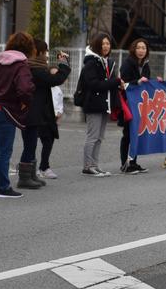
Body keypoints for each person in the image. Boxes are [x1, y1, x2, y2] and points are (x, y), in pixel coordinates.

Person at [0, 32, 36, 199]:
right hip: (8, 110)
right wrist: (26, 101)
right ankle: (3, 187)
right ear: (28, 48)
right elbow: (25, 89)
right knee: (5, 149)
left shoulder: (0, 61)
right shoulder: (21, 65)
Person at [17, 39, 71, 189]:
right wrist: (64, 63)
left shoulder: (32, 67)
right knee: (30, 145)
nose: (46, 55)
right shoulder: (35, 70)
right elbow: (57, 79)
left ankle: (31, 175)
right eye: (45, 51)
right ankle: (24, 178)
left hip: (33, 112)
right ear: (38, 52)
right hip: (31, 113)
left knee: (32, 144)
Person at [81, 32, 122, 177]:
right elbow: (93, 84)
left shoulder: (107, 61)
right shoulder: (91, 62)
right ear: (97, 45)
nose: (106, 46)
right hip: (94, 104)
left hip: (105, 103)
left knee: (99, 137)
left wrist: (117, 84)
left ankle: (94, 165)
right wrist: (115, 82)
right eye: (103, 43)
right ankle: (87, 166)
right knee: (92, 136)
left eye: (108, 43)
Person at [119, 38, 151, 174]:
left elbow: (147, 84)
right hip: (128, 103)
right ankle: (125, 164)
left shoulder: (145, 64)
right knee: (127, 134)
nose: (141, 50)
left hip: (140, 105)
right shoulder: (127, 63)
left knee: (136, 133)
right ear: (133, 49)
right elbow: (122, 83)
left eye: (143, 48)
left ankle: (133, 162)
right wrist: (137, 82)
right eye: (138, 48)